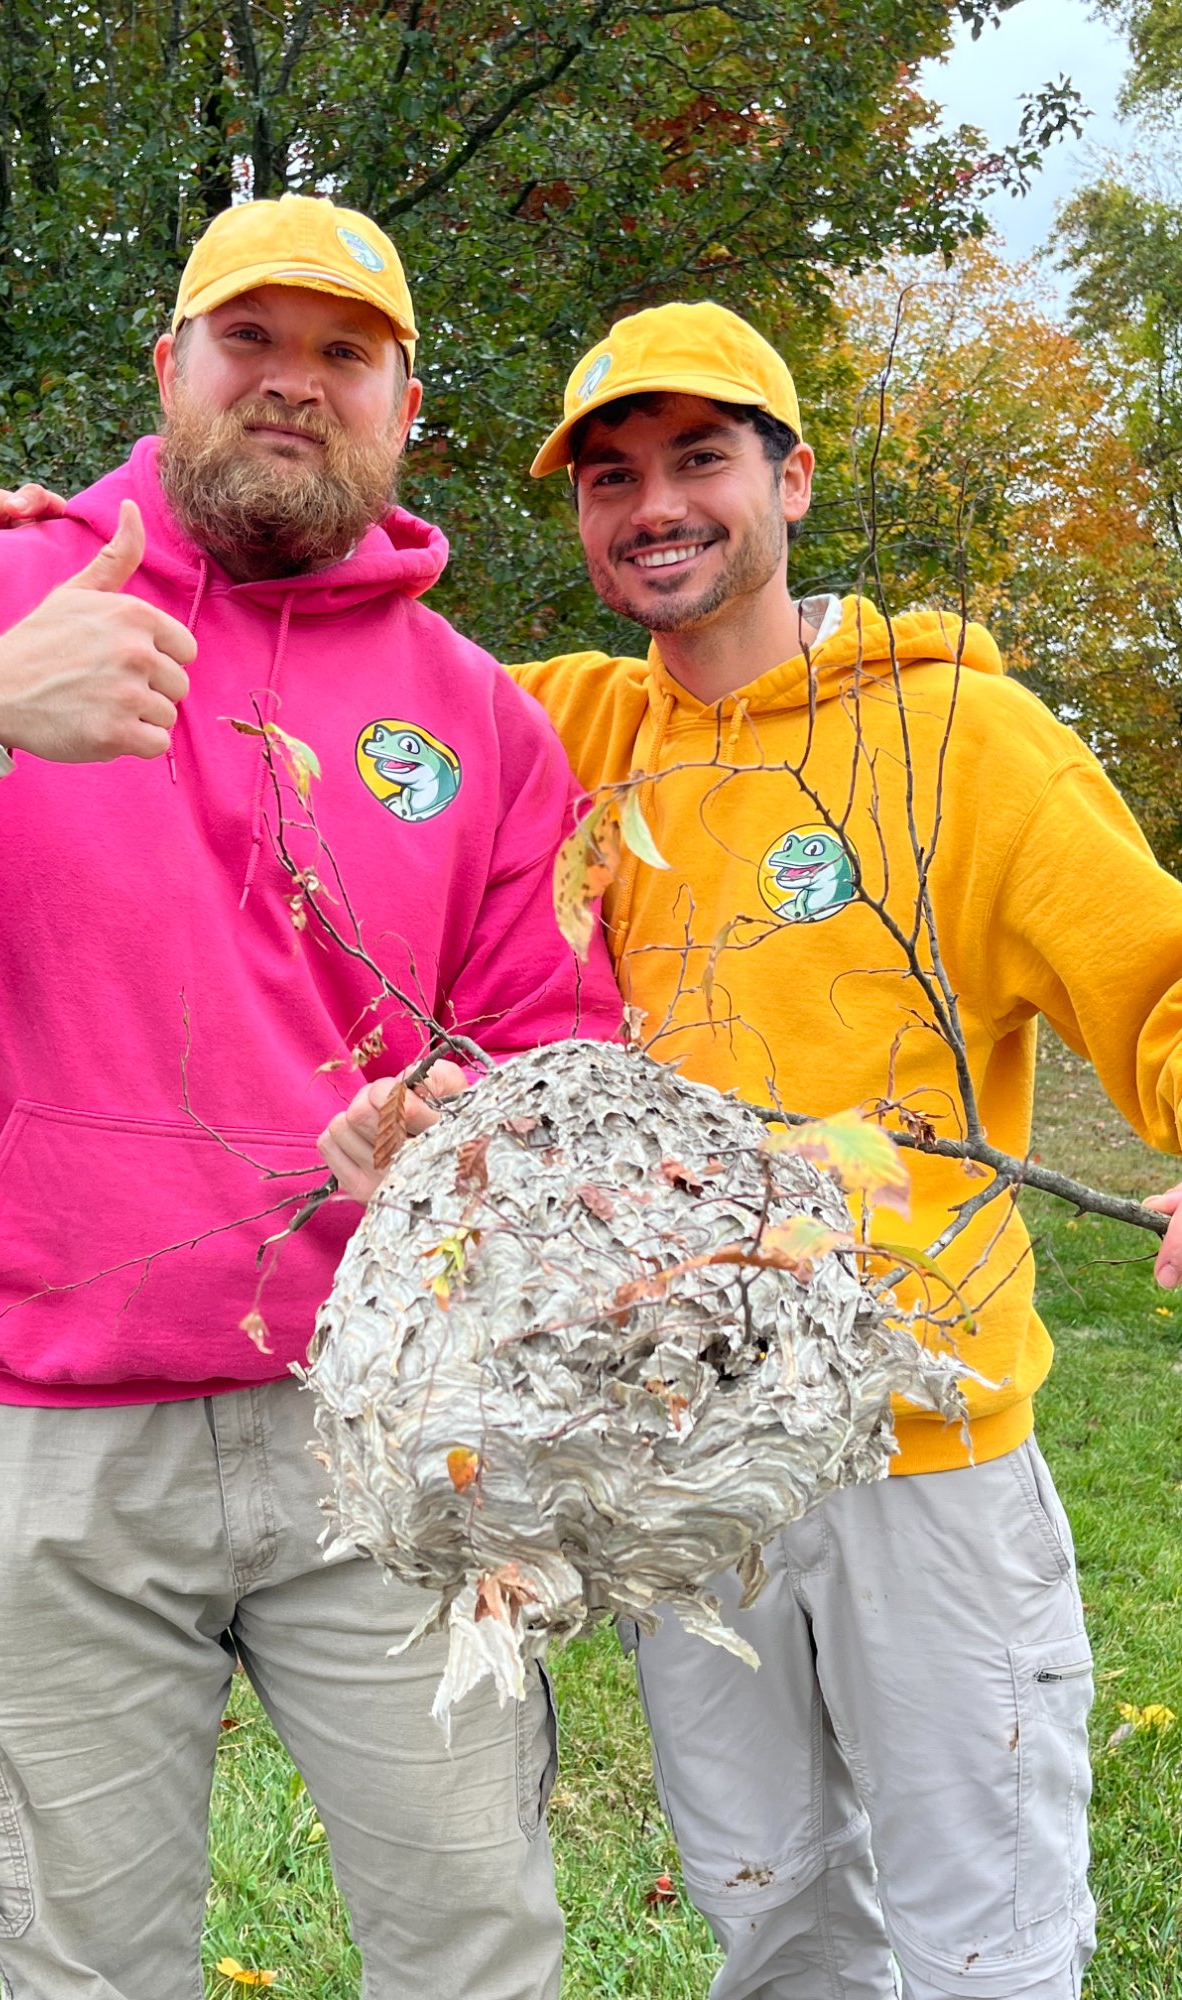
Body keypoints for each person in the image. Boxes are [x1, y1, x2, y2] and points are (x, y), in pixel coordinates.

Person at [0, 194, 621, 2000]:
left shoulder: (479, 717)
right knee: (87, 1973)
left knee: (480, 1947)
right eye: (248, 340)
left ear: (404, 405)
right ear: (168, 368)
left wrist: (456, 1128)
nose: (293, 385)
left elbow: (560, 1044)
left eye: (343, 352)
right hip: (31, 1442)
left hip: (380, 1429)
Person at [506, 301, 1182, 1999]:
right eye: (611, 476)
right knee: (773, 1909)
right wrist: (19, 570)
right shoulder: (572, 734)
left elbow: (1158, 980)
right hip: (686, 1455)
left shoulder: (964, 740)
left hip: (920, 1441)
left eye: (700, 458)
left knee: (986, 1926)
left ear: (791, 478)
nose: (654, 503)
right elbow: (301, 670)